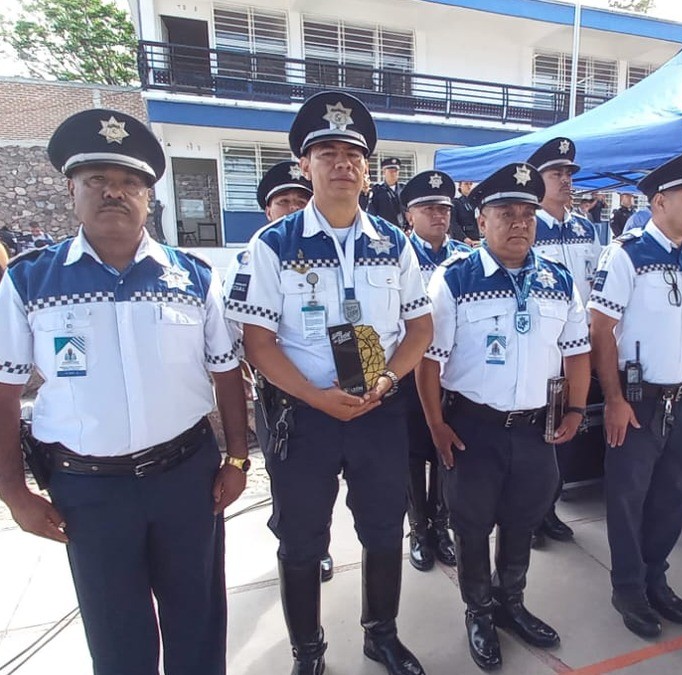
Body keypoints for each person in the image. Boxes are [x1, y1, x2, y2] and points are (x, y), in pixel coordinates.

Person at [0, 109, 247, 675]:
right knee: (117, 637)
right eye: (97, 180)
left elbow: (227, 371)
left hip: (185, 479)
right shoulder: (30, 280)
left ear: (149, 197)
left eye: (130, 182)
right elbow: (5, 391)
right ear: (72, 190)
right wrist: (13, 492)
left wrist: (236, 458)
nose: (114, 192)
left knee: (198, 619)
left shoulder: (193, 277)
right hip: (89, 491)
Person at [226, 92, 432, 675]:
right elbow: (258, 342)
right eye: (328, 153)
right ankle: (308, 652)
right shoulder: (273, 244)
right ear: (305, 165)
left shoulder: (393, 243)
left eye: (353, 155)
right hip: (303, 416)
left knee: (383, 529)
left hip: (378, 410)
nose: (342, 163)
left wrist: (386, 379)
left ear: (367, 170)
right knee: (301, 540)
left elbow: (419, 327)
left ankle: (381, 636)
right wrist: (316, 397)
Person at [416, 162, 591, 670]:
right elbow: (429, 362)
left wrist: (576, 408)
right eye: (506, 213)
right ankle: (479, 611)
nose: (519, 223)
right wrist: (436, 425)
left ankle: (511, 602)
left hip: (535, 429)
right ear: (481, 220)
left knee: (521, 520)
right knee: (471, 526)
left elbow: (577, 352)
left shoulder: (558, 280)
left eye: (527, 214)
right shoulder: (454, 279)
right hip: (473, 429)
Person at [589, 147, 682, 638]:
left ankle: (655, 578)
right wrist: (614, 399)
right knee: (628, 497)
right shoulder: (627, 254)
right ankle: (628, 587)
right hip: (639, 400)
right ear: (659, 201)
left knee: (673, 495)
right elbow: (601, 330)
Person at [223, 161, 333, 583]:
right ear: (267, 210)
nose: (292, 208)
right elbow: (236, 332)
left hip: (335, 390)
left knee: (327, 483)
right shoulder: (250, 258)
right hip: (280, 398)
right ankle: (304, 548)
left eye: (300, 200)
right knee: (291, 485)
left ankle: (316, 543)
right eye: (283, 202)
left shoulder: (330, 254)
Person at [527, 137, 601, 546]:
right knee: (532, 437)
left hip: (577, 350)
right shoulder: (527, 225)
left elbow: (595, 286)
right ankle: (528, 516)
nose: (566, 181)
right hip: (539, 349)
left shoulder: (584, 227)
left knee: (565, 432)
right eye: (557, 174)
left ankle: (549, 509)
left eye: (569, 174)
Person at [399, 170, 471, 572]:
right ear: (410, 215)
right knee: (412, 453)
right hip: (408, 370)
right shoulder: (398, 256)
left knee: (447, 449)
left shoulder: (465, 258)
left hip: (452, 371)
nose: (438, 215)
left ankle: (441, 526)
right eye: (428, 209)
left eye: (444, 208)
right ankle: (418, 529)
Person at [367, 156, 407, 228]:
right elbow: (372, 213)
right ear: (384, 172)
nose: (393, 174)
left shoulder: (404, 189)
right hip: (385, 230)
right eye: (390, 171)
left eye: (395, 171)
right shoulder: (377, 190)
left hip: (403, 230)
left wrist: (409, 228)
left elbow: (410, 211)